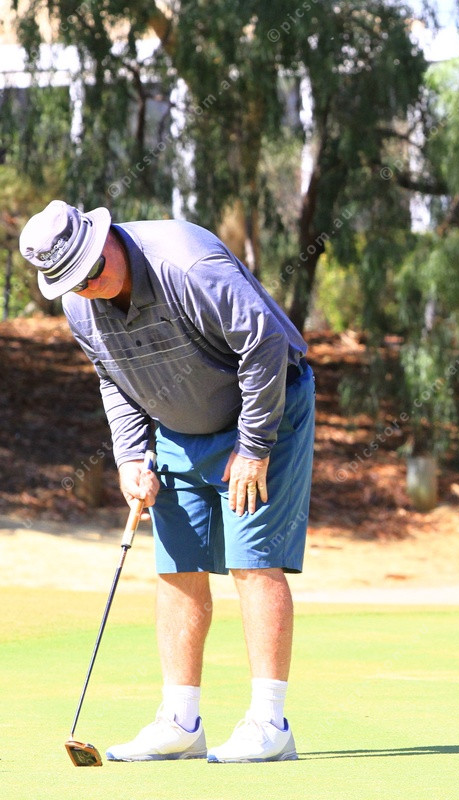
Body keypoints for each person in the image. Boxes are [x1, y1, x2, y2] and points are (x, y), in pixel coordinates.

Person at [19, 200, 315, 763]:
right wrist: (131, 455)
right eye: (74, 283)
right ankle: (180, 722)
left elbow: (264, 345)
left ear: (105, 238)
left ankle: (270, 724)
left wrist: (254, 447)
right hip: (178, 426)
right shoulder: (82, 306)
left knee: (253, 561)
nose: (89, 288)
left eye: (91, 270)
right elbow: (114, 378)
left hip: (262, 411)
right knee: (178, 566)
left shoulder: (188, 263)